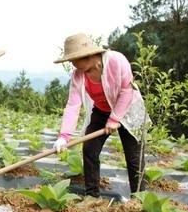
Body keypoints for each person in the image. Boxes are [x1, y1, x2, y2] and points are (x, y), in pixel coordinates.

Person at [53, 33, 148, 197]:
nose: (72, 63)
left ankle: (139, 198)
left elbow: (126, 90)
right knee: (89, 148)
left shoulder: (116, 61)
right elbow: (73, 105)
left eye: (74, 59)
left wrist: (114, 119)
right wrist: (64, 136)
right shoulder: (78, 75)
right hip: (102, 110)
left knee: (134, 156)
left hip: (127, 109)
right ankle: (92, 195)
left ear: (88, 55)